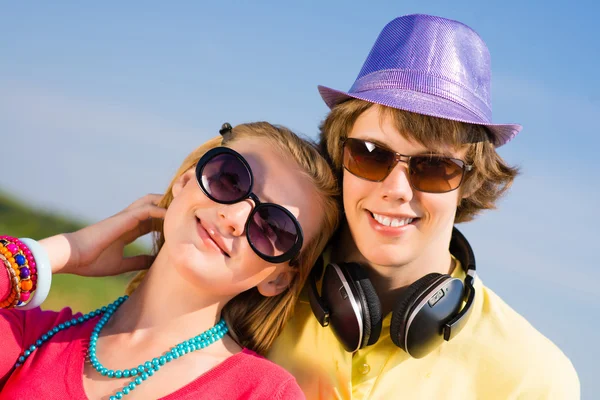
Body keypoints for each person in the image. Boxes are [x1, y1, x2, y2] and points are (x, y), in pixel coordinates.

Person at [265, 14, 580, 399]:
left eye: (434, 167)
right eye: (370, 155)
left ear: (470, 181)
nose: (396, 189)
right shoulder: (257, 288)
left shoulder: (531, 378)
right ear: (339, 153)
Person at [0, 121, 340, 399]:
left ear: (277, 278)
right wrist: (65, 251)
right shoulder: (35, 336)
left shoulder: (264, 394)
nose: (235, 218)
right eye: (230, 179)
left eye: (273, 227)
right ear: (186, 180)